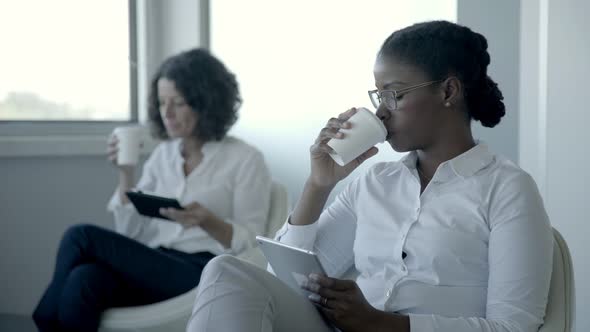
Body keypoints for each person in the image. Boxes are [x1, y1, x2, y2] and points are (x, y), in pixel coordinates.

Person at [186, 21, 553, 332]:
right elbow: (280, 282)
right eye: (378, 95)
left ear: (448, 91)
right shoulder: (373, 183)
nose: (380, 111)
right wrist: (318, 184)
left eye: (393, 94)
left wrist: (383, 324)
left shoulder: (507, 188)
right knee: (226, 272)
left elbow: (515, 325)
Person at [32, 48, 272, 332]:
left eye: (178, 103)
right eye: (161, 103)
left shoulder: (245, 159)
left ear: (205, 103)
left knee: (80, 235)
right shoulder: (163, 156)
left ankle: (43, 319)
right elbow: (130, 233)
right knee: (84, 279)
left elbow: (255, 248)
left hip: (203, 272)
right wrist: (126, 173)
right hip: (157, 263)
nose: (166, 113)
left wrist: (208, 221)